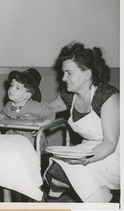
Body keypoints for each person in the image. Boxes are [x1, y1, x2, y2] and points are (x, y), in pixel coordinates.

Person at [44, 42, 120, 203]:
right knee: (54, 173)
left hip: (115, 152)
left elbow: (111, 142)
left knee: (73, 171)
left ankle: (104, 201)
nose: (63, 78)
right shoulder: (69, 95)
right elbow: (46, 109)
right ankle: (102, 198)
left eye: (69, 73)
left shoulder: (107, 96)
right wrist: (22, 107)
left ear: (87, 74)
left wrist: (86, 159)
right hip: (88, 148)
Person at [0, 68, 54, 147]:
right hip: (11, 141)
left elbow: (51, 111)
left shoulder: (35, 106)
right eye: (11, 85)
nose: (11, 89)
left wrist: (43, 124)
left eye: (17, 88)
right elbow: (3, 114)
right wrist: (0, 117)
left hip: (30, 141)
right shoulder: (8, 105)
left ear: (27, 95)